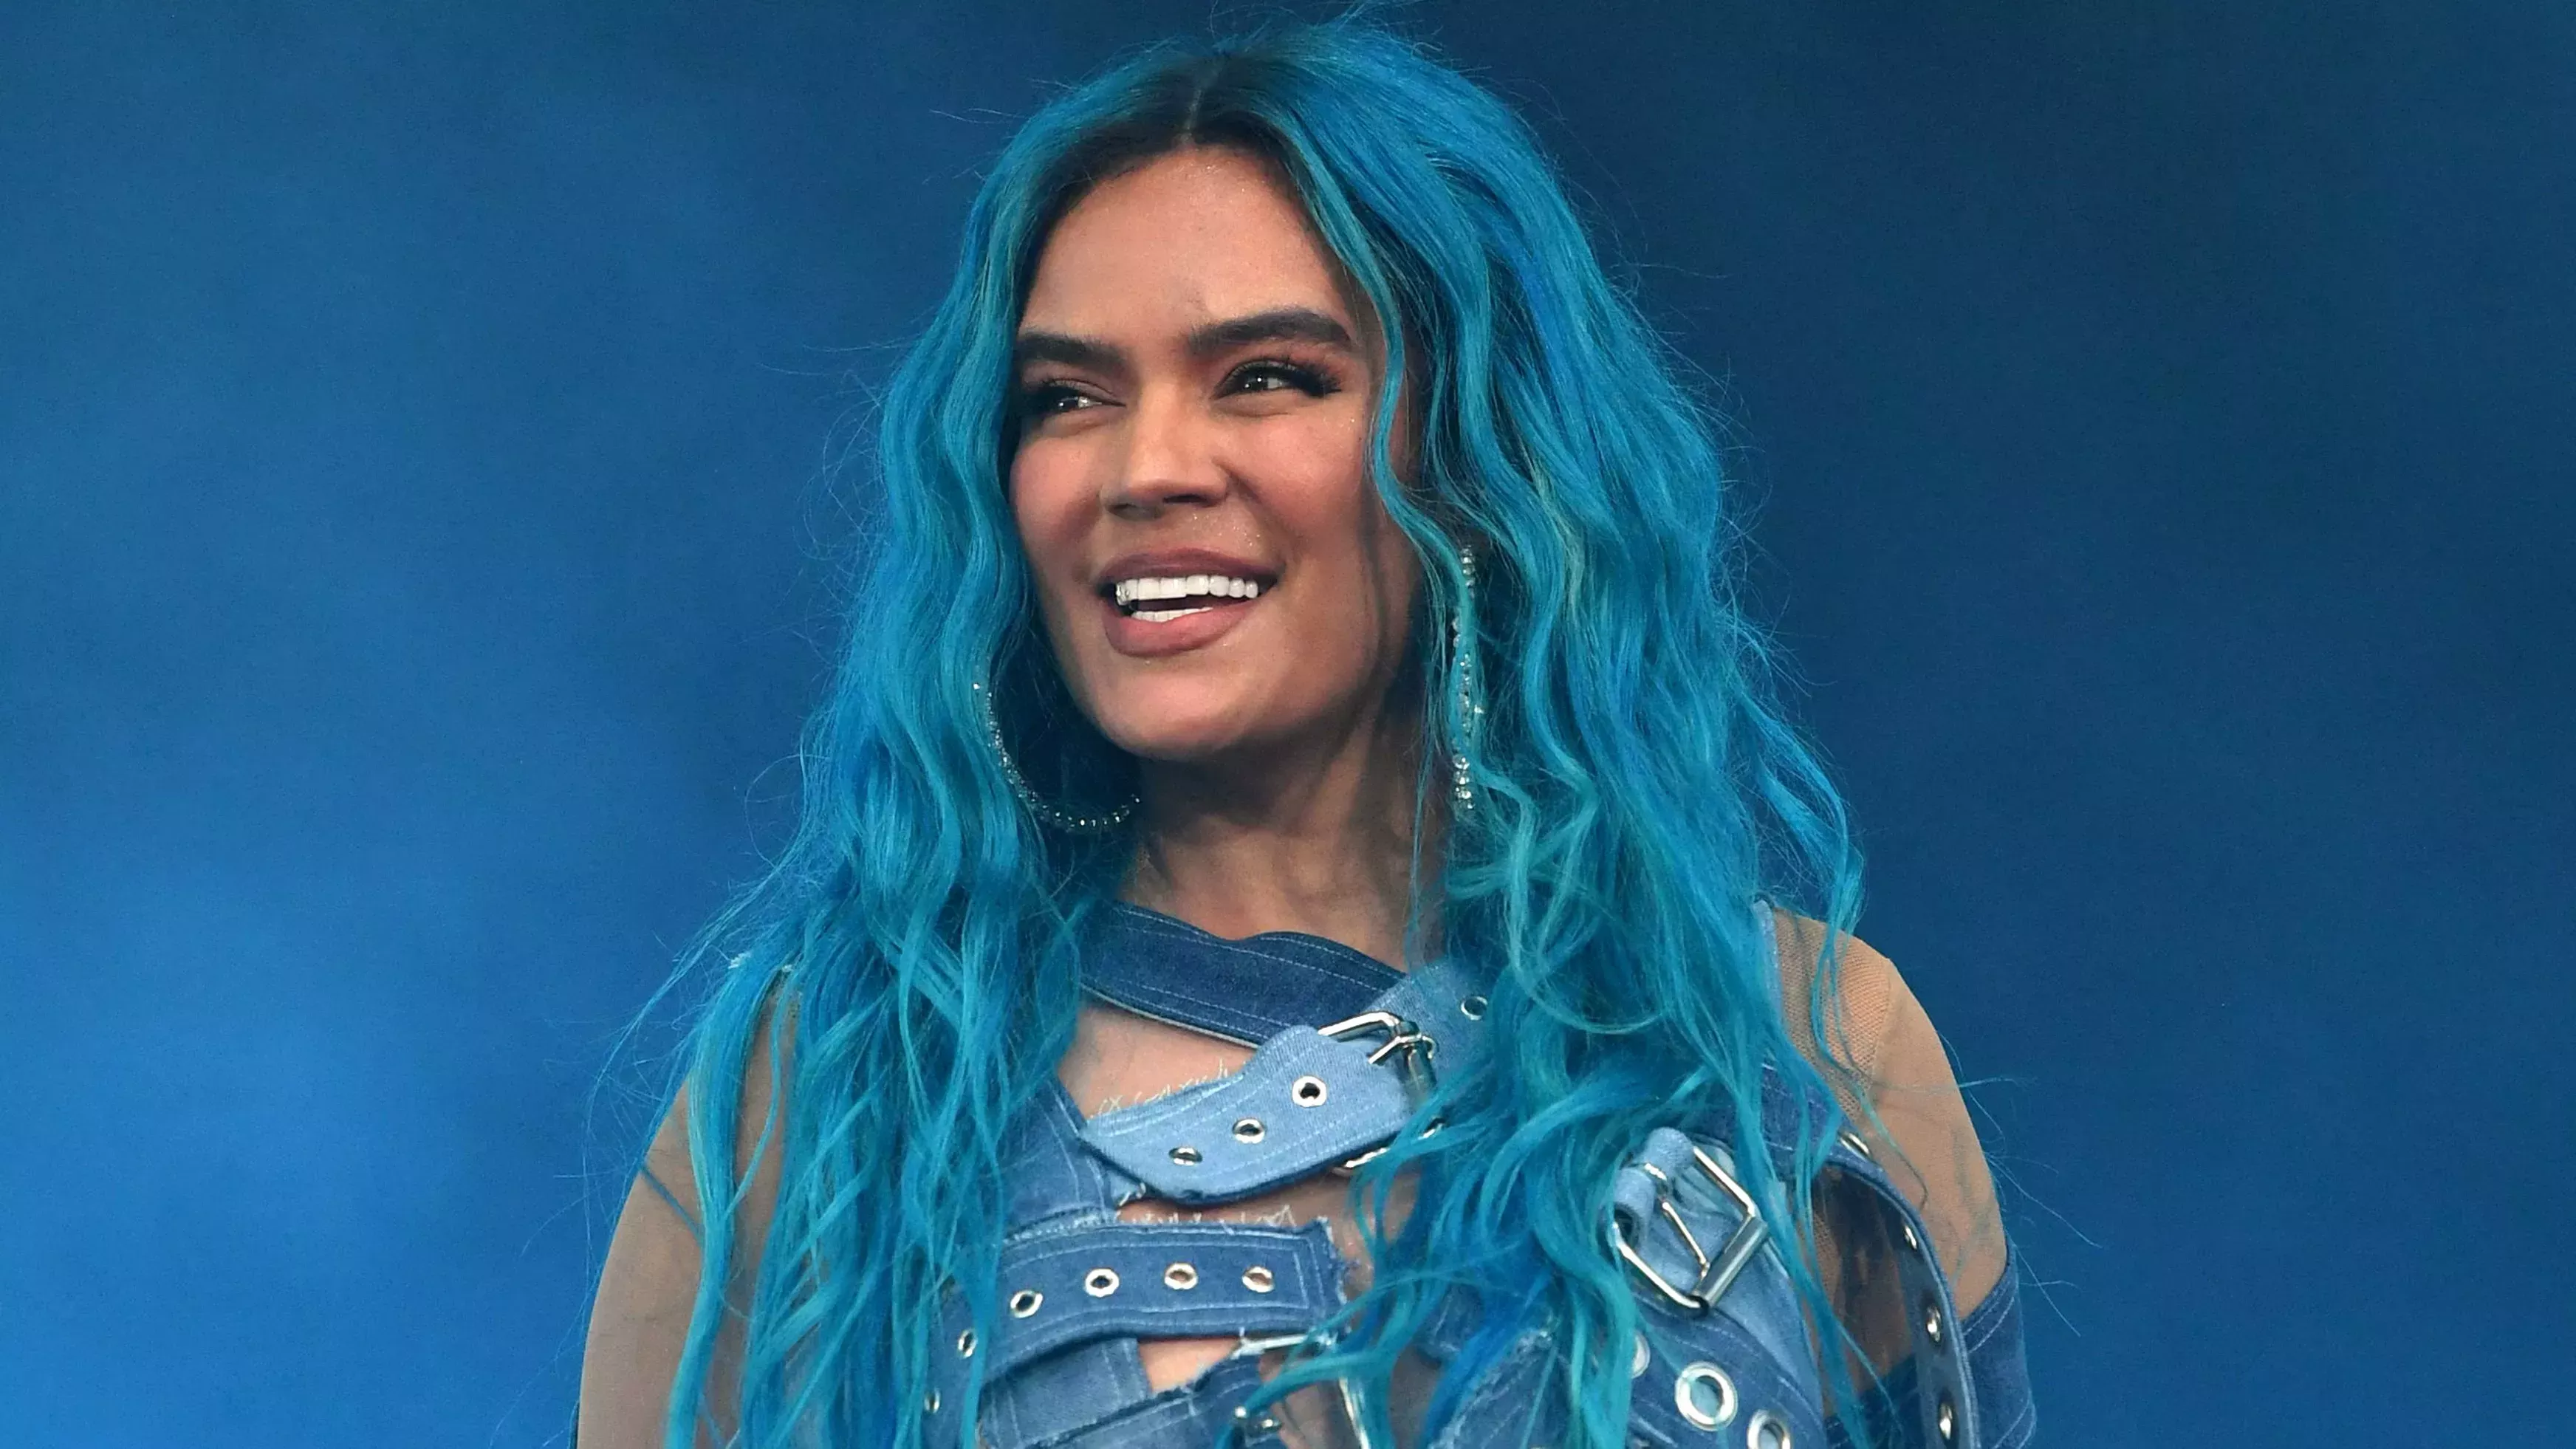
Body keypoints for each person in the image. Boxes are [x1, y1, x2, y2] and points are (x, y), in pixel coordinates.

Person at [579, 18, 2032, 1449]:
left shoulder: (1805, 1037)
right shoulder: (827, 1091)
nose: (1146, 468)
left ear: (1474, 460)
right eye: (1067, 397)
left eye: (1266, 375)